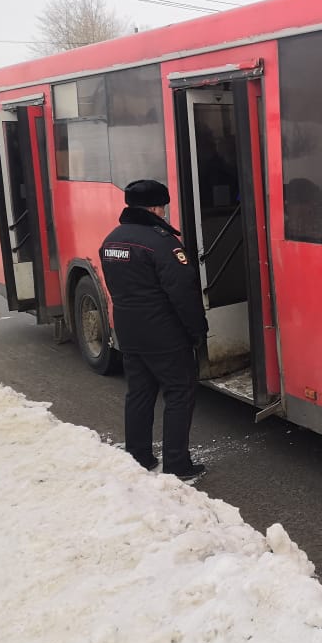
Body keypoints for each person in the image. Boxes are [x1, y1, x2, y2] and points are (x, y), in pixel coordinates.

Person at [99, 179, 209, 482]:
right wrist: (197, 330)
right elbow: (183, 293)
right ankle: (178, 465)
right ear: (156, 207)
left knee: (139, 394)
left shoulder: (111, 240)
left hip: (129, 331)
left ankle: (139, 457)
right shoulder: (162, 243)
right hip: (165, 334)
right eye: (163, 206)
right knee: (179, 393)